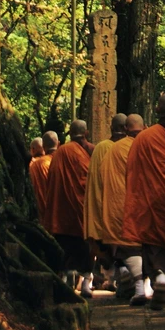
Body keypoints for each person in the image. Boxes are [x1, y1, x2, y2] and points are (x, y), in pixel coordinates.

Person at [122, 93, 165, 316]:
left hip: (153, 203)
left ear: (157, 111)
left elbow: (132, 173)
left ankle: (159, 276)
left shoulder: (144, 138)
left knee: (155, 247)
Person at [101, 114, 149, 305]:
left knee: (125, 247)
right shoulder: (149, 145)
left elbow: (104, 178)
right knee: (141, 247)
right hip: (144, 204)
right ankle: (143, 286)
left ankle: (133, 284)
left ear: (126, 129)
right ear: (143, 127)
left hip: (120, 205)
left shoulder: (113, 150)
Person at [43, 120, 94, 296]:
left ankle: (66, 278)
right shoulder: (90, 150)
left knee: (65, 244)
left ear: (69, 134)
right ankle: (86, 282)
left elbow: (52, 180)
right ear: (86, 133)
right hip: (82, 207)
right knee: (84, 244)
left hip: (62, 208)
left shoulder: (60, 152)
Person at [83, 113, 127, 290]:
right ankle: (122, 277)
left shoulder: (101, 148)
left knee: (107, 242)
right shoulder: (128, 147)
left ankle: (111, 278)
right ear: (126, 129)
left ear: (110, 127)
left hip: (104, 203)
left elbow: (93, 182)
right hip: (122, 204)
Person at [29, 131, 58, 225]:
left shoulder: (33, 165)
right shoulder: (63, 161)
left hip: (41, 215)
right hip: (60, 215)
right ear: (58, 143)